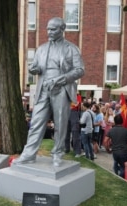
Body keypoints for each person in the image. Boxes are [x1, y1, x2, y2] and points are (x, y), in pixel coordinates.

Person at [13, 17, 84, 166]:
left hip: (61, 88)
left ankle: (57, 153)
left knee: (60, 123)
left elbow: (79, 70)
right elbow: (37, 67)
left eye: (53, 29)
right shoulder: (42, 48)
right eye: (48, 29)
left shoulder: (71, 48)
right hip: (43, 88)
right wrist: (34, 69)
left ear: (62, 29)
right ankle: (29, 153)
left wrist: (60, 80)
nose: (49, 32)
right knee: (37, 121)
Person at [104, 114, 127, 178]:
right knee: (124, 167)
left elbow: (105, 141)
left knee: (116, 162)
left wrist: (107, 149)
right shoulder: (126, 130)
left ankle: (116, 175)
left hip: (115, 152)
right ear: (122, 121)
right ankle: (120, 177)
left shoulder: (111, 130)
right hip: (124, 152)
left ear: (115, 121)